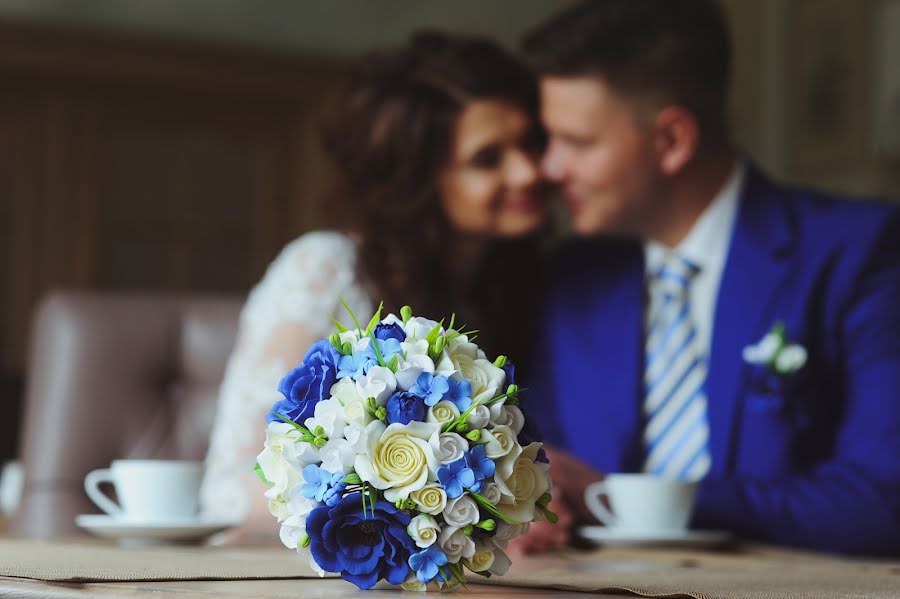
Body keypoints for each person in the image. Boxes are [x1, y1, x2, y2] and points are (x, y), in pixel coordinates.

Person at [520, 0, 900, 556]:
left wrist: (652, 500)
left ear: (672, 140)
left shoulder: (859, 253)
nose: (548, 169)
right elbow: (547, 459)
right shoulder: (575, 276)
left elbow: (884, 499)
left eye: (577, 143)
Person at [197, 31, 555, 541]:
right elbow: (239, 493)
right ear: (421, 177)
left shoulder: (525, 283)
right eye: (487, 159)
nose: (528, 171)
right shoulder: (325, 268)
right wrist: (473, 512)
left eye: (531, 142)